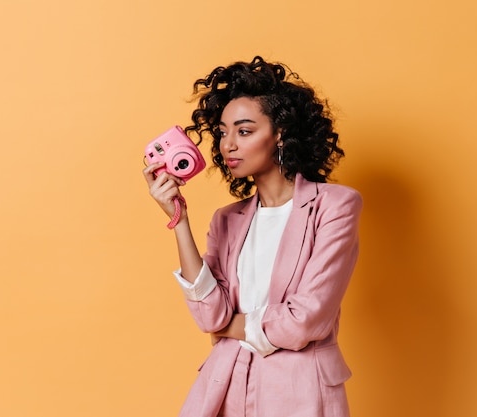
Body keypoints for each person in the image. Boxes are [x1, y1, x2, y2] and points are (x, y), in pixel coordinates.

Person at [143, 56, 363, 417]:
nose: (228, 144)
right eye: (223, 132)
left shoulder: (335, 206)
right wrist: (179, 219)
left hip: (299, 391)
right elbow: (209, 316)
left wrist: (231, 325)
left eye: (244, 131)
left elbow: (305, 321)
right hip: (225, 386)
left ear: (280, 134)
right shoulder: (227, 220)